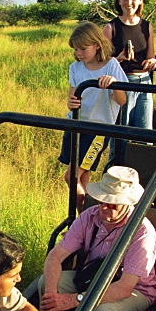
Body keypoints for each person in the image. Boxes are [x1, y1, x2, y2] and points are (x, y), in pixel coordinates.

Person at [39, 166, 156, 311]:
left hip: (136, 289)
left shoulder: (142, 232)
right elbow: (55, 256)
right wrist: (53, 299)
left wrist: (74, 299)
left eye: (112, 203)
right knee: (47, 282)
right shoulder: (89, 216)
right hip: (93, 276)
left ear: (127, 204)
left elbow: (125, 287)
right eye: (102, 200)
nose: (104, 207)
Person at [59, 22, 128, 211]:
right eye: (76, 49)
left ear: (97, 44)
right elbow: (72, 97)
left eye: (83, 48)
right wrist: (71, 103)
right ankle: (83, 220)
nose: (79, 53)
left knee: (70, 177)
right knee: (83, 176)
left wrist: (114, 84)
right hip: (76, 125)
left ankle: (87, 215)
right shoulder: (75, 67)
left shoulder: (111, 65)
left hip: (97, 130)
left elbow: (122, 101)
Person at [103, 0, 156, 131]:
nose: (129, 3)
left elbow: (151, 56)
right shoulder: (110, 27)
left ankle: (142, 155)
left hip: (145, 82)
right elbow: (101, 62)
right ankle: (119, 156)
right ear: (119, 1)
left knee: (145, 132)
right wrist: (118, 59)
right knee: (122, 132)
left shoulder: (147, 26)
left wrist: (153, 62)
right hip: (122, 81)